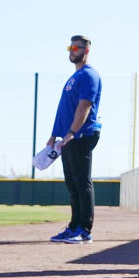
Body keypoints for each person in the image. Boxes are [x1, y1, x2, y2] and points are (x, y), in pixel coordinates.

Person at [47, 35, 102, 244]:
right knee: (72, 184)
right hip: (67, 136)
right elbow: (64, 109)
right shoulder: (74, 77)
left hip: (81, 134)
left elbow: (84, 107)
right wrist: (54, 135)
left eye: (76, 47)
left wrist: (72, 132)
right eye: (70, 47)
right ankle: (73, 227)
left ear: (86, 50)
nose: (72, 50)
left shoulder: (89, 75)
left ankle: (84, 230)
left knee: (82, 183)